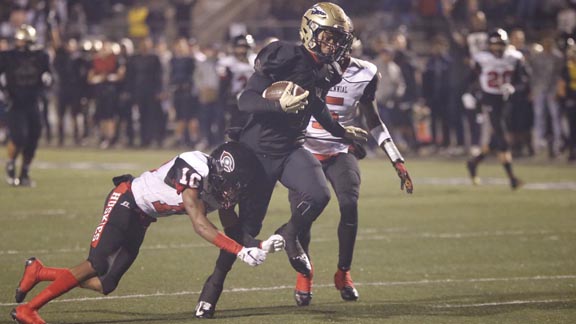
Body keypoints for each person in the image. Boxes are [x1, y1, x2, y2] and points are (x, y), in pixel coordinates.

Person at [194, 2, 368, 318]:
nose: (334, 44)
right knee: (245, 228)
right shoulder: (283, 55)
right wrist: (277, 106)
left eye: (338, 39)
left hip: (290, 149)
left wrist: (343, 133)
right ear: (310, 31)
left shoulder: (328, 70)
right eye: (329, 36)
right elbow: (245, 99)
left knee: (319, 195)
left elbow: (316, 107)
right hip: (255, 155)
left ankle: (289, 235)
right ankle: (212, 290)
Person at [10, 141, 284, 324]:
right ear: (219, 171)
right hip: (126, 200)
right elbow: (200, 224)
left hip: (143, 217)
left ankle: (39, 272)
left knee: (107, 285)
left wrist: (257, 245)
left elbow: (231, 228)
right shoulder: (194, 166)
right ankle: (29, 309)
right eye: (231, 185)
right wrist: (239, 251)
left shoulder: (221, 188)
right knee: (96, 263)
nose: (231, 192)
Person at [297, 50, 414, 306]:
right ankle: (304, 274)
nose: (329, 47)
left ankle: (344, 272)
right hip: (305, 151)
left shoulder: (365, 72)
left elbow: (373, 119)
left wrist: (396, 158)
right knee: (302, 217)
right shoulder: (304, 66)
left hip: (340, 150)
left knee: (349, 205)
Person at [466, 29, 524, 189]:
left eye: (500, 44)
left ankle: (473, 163)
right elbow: (471, 79)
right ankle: (512, 178)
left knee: (495, 141)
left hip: (506, 101)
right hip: (489, 100)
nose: (498, 48)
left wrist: (513, 87)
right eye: (495, 44)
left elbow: (523, 80)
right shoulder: (481, 58)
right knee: (502, 138)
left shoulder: (515, 57)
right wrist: (472, 95)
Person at [0, 24, 51, 187]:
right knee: (19, 136)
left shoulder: (41, 56)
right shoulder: (7, 56)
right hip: (14, 101)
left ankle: (24, 172)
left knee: (34, 137)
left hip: (33, 101)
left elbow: (49, 73)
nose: (25, 45)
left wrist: (48, 79)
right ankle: (11, 162)